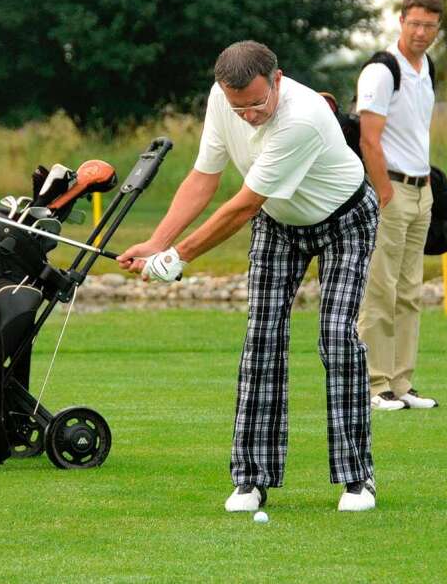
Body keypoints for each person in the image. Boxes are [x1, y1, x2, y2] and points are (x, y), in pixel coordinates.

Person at [117, 41, 380, 512]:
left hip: (346, 219)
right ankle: (251, 479)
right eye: (240, 107)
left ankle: (357, 479)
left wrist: (179, 257)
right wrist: (159, 243)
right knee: (261, 337)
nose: (250, 115)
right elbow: (204, 178)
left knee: (337, 336)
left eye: (258, 103)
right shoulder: (224, 100)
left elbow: (242, 206)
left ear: (277, 80)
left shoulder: (303, 117)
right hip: (280, 224)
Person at [355, 0, 443, 411]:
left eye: (430, 25)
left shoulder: (428, 68)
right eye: (415, 23)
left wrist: (427, 188)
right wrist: (383, 192)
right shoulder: (382, 70)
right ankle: (374, 386)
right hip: (389, 191)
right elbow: (369, 139)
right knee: (381, 289)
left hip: (421, 190)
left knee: (410, 291)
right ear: (401, 21)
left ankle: (402, 383)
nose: (422, 32)